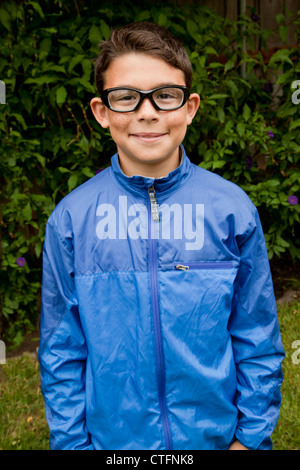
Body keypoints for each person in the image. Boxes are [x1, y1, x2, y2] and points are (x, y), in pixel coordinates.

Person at [38, 22, 285, 451]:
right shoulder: (71, 220)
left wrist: (249, 438)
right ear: (101, 111)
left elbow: (256, 334)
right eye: (126, 97)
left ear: (189, 107)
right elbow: (61, 350)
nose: (147, 112)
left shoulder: (231, 210)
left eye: (164, 96)